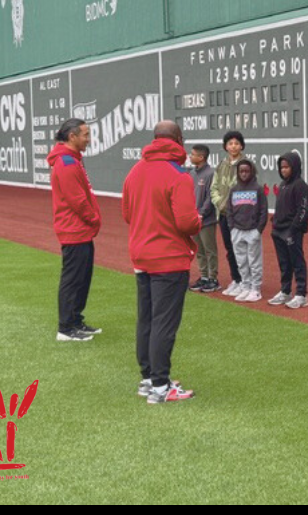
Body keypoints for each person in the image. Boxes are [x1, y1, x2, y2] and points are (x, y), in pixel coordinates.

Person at [121, 120, 202, 403]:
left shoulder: (135, 170)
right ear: (178, 140)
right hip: (168, 258)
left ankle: (148, 378)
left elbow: (127, 213)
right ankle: (160, 386)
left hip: (141, 254)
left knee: (147, 319)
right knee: (164, 322)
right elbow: (187, 222)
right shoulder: (179, 175)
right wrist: (199, 219)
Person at [47, 118, 103, 342]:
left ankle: (75, 320)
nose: (88, 139)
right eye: (85, 135)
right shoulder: (67, 162)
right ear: (72, 137)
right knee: (73, 278)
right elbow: (77, 200)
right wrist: (93, 219)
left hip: (79, 229)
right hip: (75, 229)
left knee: (82, 277)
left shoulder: (71, 160)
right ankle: (66, 327)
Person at [269, 152, 308, 309]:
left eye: (287, 167)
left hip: (292, 232)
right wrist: (275, 222)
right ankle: (285, 291)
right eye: (282, 167)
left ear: (295, 167)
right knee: (284, 263)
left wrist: (293, 229)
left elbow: (303, 210)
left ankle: (301, 295)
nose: (284, 170)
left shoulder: (300, 186)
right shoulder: (282, 185)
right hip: (278, 231)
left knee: (297, 262)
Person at [210, 131, 247, 296]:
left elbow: (248, 190)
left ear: (241, 146)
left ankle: (246, 281)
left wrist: (231, 207)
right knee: (229, 248)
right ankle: (236, 279)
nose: (233, 146)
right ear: (225, 146)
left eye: (237, 143)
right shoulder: (222, 164)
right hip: (223, 214)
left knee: (241, 248)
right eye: (230, 143)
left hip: (239, 215)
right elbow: (214, 187)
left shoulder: (246, 165)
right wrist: (220, 203)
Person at [228, 159, 268, 303]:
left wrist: (258, 230)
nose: (244, 174)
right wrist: (232, 228)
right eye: (241, 171)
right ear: (238, 173)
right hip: (237, 231)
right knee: (242, 262)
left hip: (252, 231)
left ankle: (255, 289)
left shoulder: (257, 189)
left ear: (251, 172)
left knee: (254, 262)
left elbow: (264, 211)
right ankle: (245, 286)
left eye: (246, 171)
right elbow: (229, 210)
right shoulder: (234, 190)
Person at [187, 144, 219, 293]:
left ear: (201, 157)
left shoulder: (211, 173)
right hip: (194, 219)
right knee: (199, 250)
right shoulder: (192, 173)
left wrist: (202, 213)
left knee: (209, 250)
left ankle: (213, 278)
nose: (190, 156)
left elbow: (210, 197)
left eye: (192, 154)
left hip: (206, 220)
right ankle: (204, 276)